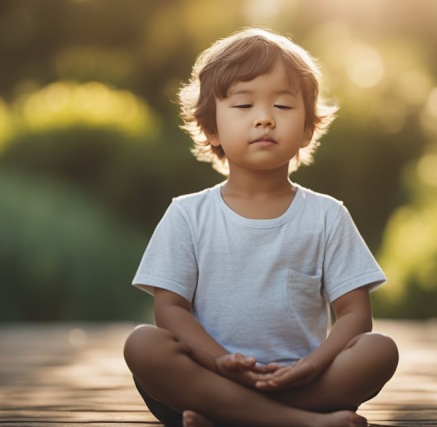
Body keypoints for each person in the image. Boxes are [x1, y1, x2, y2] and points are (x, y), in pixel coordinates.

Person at [123, 27, 398, 427]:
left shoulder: (327, 216)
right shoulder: (187, 215)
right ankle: (300, 423)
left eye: (283, 107)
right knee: (143, 344)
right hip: (206, 377)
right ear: (211, 127)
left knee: (380, 350)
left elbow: (355, 314)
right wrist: (218, 361)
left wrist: (311, 364)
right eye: (244, 105)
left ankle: (229, 419)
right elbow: (169, 309)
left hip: (302, 381)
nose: (265, 118)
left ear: (307, 129)